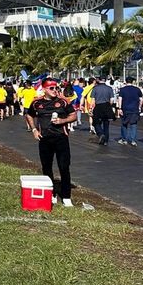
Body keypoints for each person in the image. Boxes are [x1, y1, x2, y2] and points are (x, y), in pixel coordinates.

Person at [25, 78, 78, 206]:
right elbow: (29, 115)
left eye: (56, 88)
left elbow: (73, 115)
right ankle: (51, 193)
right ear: (44, 89)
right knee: (46, 167)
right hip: (45, 139)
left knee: (64, 167)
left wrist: (62, 121)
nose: (55, 90)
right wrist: (34, 130)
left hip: (61, 138)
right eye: (51, 88)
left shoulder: (63, 102)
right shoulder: (37, 103)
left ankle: (66, 196)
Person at [117, 77, 143, 147]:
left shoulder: (122, 90)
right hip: (134, 109)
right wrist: (139, 107)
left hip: (125, 109)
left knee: (124, 124)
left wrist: (119, 108)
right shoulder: (137, 89)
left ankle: (124, 139)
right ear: (133, 82)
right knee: (133, 124)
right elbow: (141, 99)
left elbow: (120, 99)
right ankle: (133, 140)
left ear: (126, 81)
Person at [90, 77, 115, 146]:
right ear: (105, 80)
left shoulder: (95, 88)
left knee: (96, 122)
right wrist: (109, 106)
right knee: (106, 124)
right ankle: (106, 141)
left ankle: (100, 133)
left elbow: (93, 100)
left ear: (99, 80)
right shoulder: (109, 88)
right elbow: (112, 100)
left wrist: (91, 108)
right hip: (107, 106)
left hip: (98, 106)